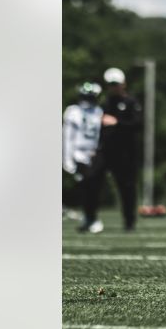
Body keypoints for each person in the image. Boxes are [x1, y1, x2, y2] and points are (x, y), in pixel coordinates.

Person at [98, 67, 142, 231]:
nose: (113, 87)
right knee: (95, 184)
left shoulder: (131, 102)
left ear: (123, 84)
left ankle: (129, 222)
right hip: (107, 151)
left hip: (127, 153)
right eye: (110, 84)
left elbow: (138, 124)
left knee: (127, 187)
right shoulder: (105, 103)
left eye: (115, 83)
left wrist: (117, 122)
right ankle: (91, 219)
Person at [63, 82, 105, 233]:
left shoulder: (99, 112)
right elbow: (68, 136)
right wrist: (67, 158)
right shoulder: (73, 112)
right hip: (79, 153)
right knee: (86, 187)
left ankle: (90, 217)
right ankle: (88, 217)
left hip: (94, 154)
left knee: (94, 188)